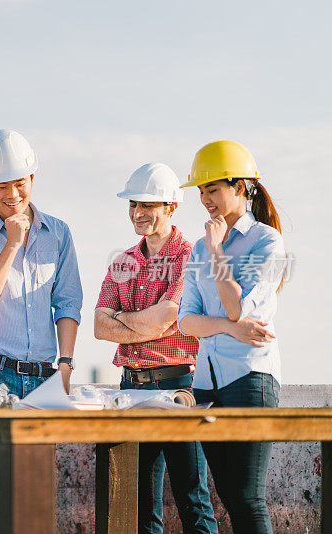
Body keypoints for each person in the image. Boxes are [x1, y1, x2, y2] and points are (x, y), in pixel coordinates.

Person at [0, 129, 82, 533]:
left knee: (36, 493)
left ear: (32, 179)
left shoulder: (58, 233)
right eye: (1, 186)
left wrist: (66, 363)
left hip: (43, 377)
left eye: (19, 184)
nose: (12, 194)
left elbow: (69, 303)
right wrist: (11, 243)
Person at [94, 163, 218, 533]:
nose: (137, 213)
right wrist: (145, 320)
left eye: (147, 205)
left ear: (171, 208)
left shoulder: (191, 256)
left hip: (177, 385)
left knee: (192, 500)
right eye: (133, 204)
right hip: (131, 387)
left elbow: (167, 317)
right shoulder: (122, 262)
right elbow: (100, 327)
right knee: (140, 506)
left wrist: (123, 316)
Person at [178, 140, 285, 533]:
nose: (206, 199)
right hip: (206, 383)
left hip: (249, 378)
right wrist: (225, 327)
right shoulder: (198, 248)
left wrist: (218, 249)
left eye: (214, 189)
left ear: (240, 187)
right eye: (202, 191)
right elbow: (186, 321)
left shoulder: (266, 243)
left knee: (248, 497)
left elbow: (239, 308)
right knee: (226, 492)